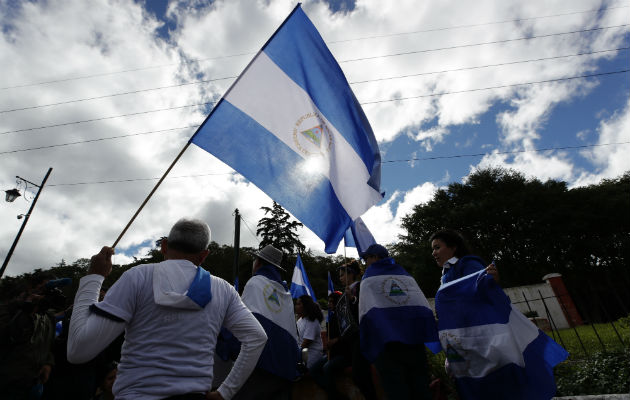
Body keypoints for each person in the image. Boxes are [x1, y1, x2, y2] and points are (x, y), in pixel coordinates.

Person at [67, 218, 267, 400]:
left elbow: (78, 351)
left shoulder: (138, 277)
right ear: (204, 255)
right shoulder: (223, 290)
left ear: (163, 246)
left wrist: (93, 278)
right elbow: (257, 337)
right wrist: (225, 392)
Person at [359, 243, 439, 400]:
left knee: (397, 392)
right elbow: (421, 307)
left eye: (366, 258)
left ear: (375, 258)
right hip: (414, 343)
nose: (365, 263)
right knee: (421, 390)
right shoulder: (406, 276)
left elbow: (366, 316)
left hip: (388, 346)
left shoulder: (368, 279)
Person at [232, 245, 301, 400]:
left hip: (261, 365)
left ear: (258, 263)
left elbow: (243, 323)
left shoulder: (255, 282)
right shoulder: (285, 292)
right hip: (286, 366)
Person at [0, 272, 57, 400]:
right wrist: (28, 309)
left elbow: (49, 345)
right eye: (43, 289)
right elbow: (9, 335)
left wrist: (48, 363)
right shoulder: (9, 310)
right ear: (31, 288)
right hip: (7, 381)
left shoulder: (49, 317)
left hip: (33, 383)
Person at [335, 260, 377, 400]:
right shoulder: (344, 293)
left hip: (361, 335)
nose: (340, 278)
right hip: (351, 338)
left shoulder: (361, 287)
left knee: (360, 373)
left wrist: (352, 299)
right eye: (339, 275)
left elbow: (365, 307)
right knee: (358, 374)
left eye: (343, 275)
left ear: (351, 274)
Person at [310, 291, 345, 399]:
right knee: (313, 369)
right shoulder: (333, 317)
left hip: (344, 354)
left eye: (331, 301)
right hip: (332, 353)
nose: (329, 304)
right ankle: (332, 391)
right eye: (328, 301)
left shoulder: (343, 316)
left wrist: (336, 340)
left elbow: (348, 334)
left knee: (327, 368)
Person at [430, 229, 498, 284]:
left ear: (453, 247)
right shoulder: (448, 269)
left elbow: (484, 290)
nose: (433, 253)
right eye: (433, 249)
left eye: (437, 247)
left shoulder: (469, 264)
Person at [295, 295, 324, 369]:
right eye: (296, 304)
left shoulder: (312, 321)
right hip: (303, 353)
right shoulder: (300, 320)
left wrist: (294, 353)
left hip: (311, 355)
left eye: (299, 304)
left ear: (305, 306)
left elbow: (305, 344)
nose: (296, 306)